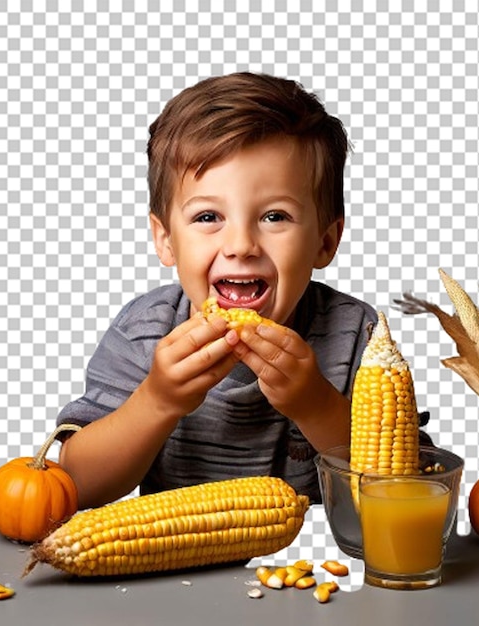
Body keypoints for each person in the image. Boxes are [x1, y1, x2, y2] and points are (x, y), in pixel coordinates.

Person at [56, 72, 377, 509]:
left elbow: (406, 483)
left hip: (317, 570)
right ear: (166, 239)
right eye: (208, 217)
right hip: (170, 567)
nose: (241, 245)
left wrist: (317, 405)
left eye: (275, 217)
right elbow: (74, 485)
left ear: (325, 241)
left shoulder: (356, 333)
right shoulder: (144, 333)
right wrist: (156, 401)